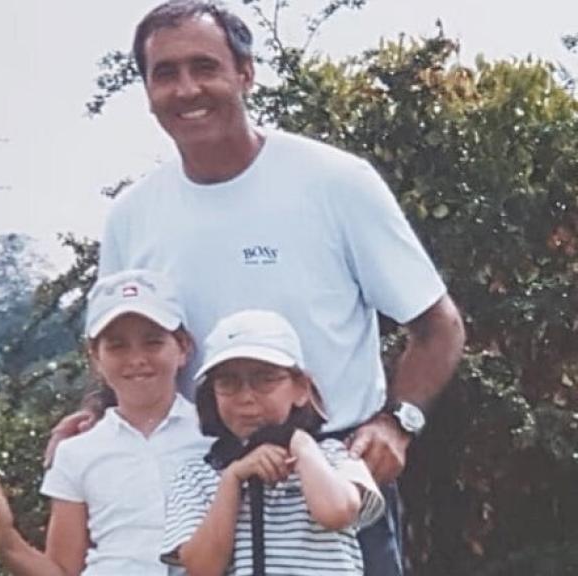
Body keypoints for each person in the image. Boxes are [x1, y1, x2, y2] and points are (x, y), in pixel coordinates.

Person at [47, 1, 467, 574]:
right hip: (200, 489)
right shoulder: (132, 216)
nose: (187, 88)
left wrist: (398, 423)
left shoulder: (334, 182)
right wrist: (95, 416)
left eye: (205, 66)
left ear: (245, 73)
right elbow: (129, 345)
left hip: (331, 482)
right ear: (146, 90)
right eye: (164, 73)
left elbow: (438, 325)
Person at [0, 269, 212, 575]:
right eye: (117, 346)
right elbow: (62, 570)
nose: (136, 359)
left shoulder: (218, 437)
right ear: (94, 357)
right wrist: (5, 538)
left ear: (183, 348)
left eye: (153, 342)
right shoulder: (76, 453)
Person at [162, 309, 385, 576]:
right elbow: (201, 567)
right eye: (228, 382)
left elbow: (337, 512)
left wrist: (301, 445)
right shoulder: (195, 476)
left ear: (301, 388)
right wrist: (232, 479)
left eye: (265, 379)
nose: (246, 397)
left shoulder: (336, 455)